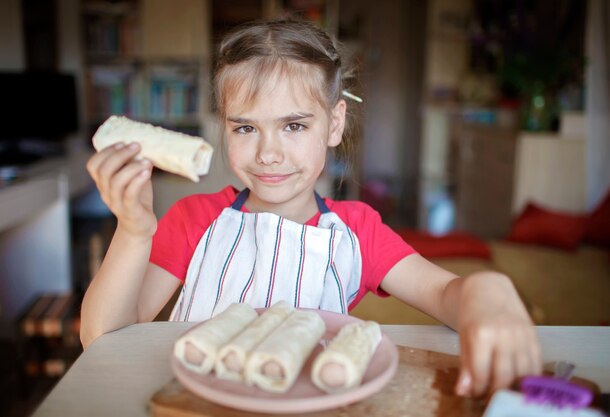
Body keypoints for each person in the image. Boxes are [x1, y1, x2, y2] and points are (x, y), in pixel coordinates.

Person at [81, 19, 541, 398]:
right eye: (245, 129)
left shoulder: (357, 232)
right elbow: (102, 339)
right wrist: (133, 230)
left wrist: (489, 290)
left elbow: (445, 296)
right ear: (224, 126)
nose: (268, 153)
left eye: (294, 125)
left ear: (334, 123)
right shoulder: (194, 219)